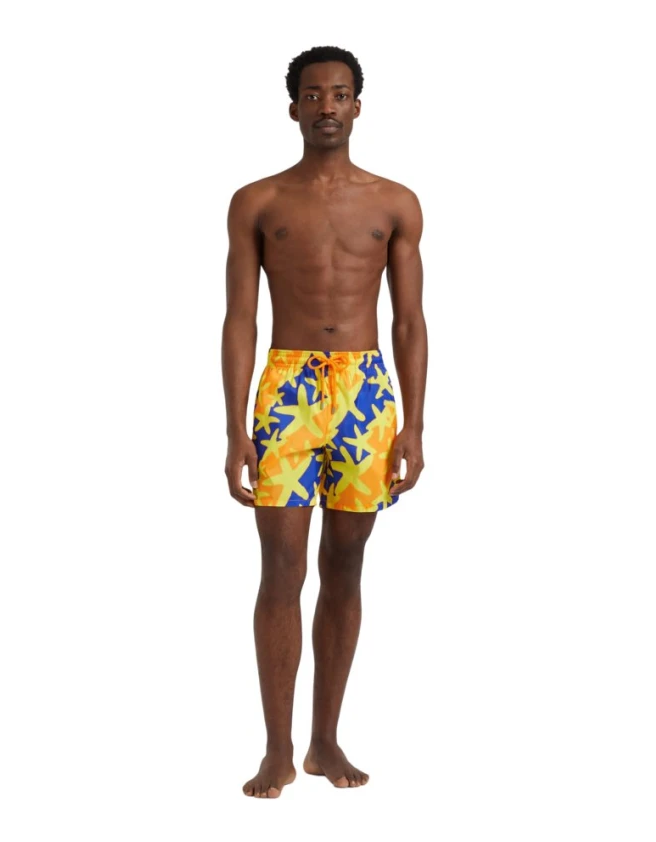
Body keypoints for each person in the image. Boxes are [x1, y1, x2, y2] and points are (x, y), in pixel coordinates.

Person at [221, 45, 427, 798]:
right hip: (286, 389)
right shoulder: (258, 201)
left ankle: (324, 741)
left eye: (340, 93)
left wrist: (413, 426)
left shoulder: (394, 203)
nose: (327, 105)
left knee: (346, 563)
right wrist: (235, 428)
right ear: (294, 108)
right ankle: (277, 749)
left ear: (358, 106)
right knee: (280, 567)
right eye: (313, 94)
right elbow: (239, 319)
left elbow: (409, 322)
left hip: (365, 394)